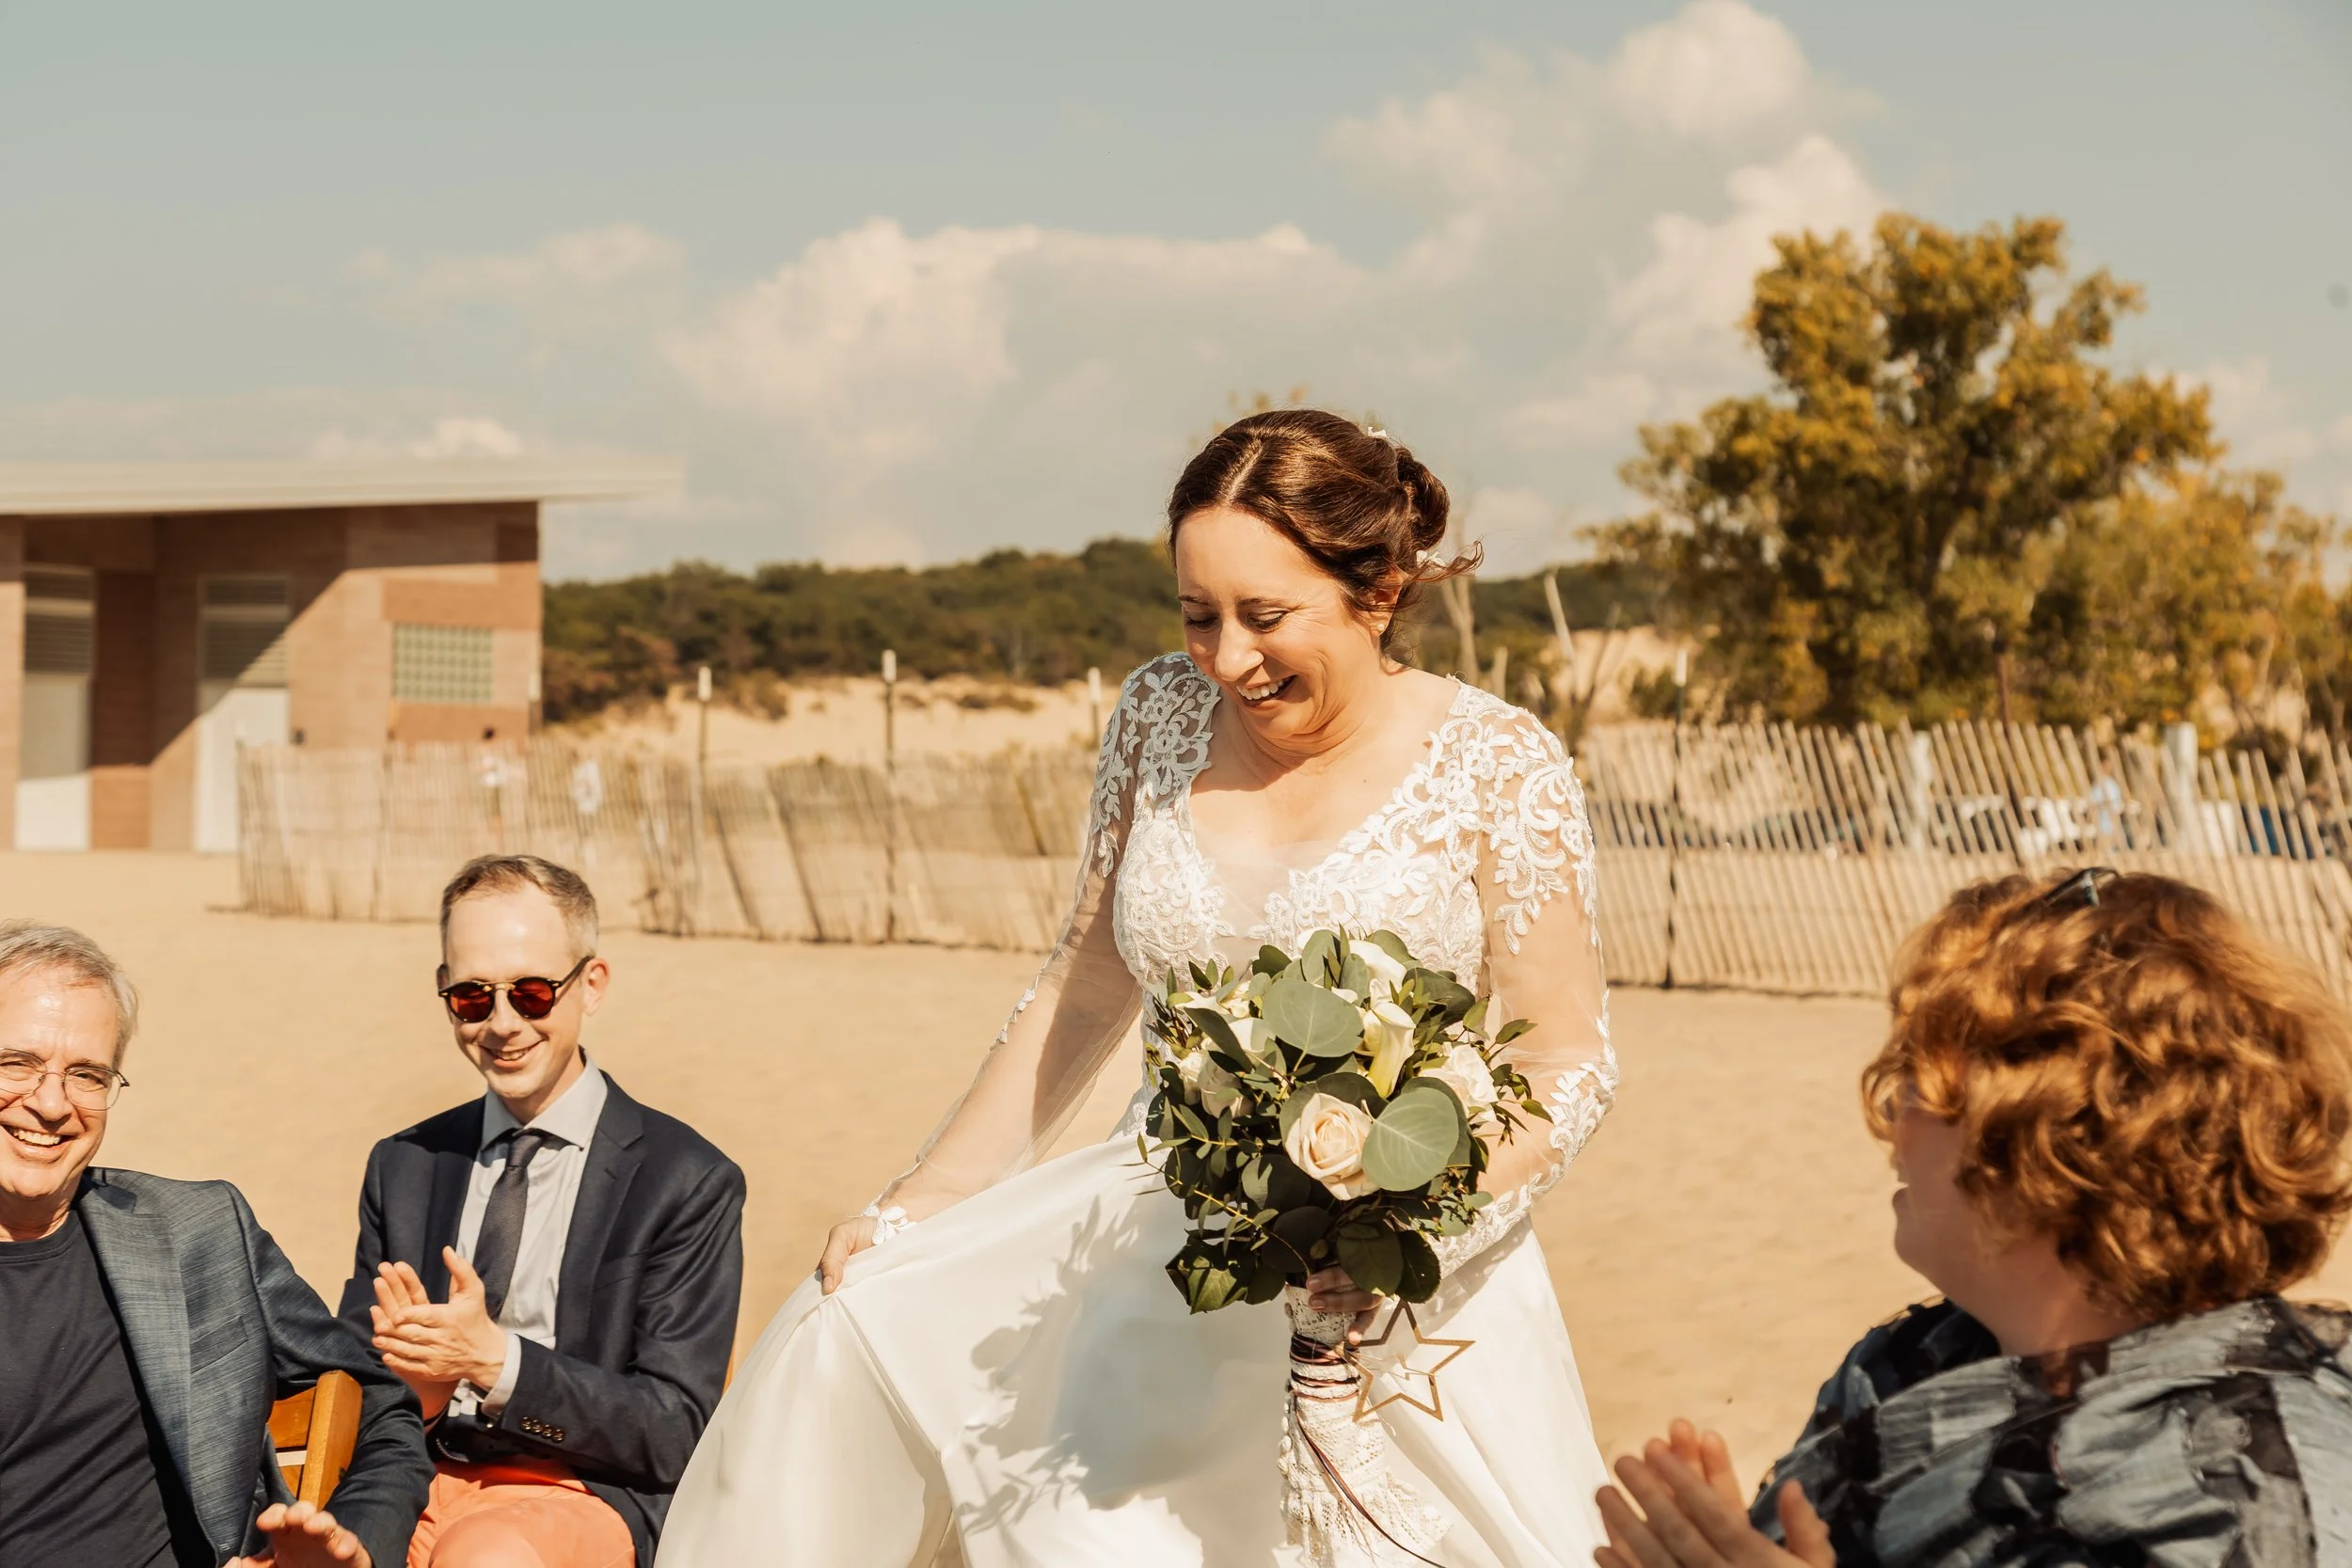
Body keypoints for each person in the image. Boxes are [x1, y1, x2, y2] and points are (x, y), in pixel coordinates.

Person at [660, 409, 1619, 1566]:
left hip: (1402, 1294)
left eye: (1265, 616)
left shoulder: (1497, 764)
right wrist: (919, 1200)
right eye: (1196, 613)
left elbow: (1560, 1060)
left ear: (1380, 587)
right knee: (892, 1367)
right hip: (1157, 1254)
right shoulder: (1159, 716)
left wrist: (1406, 1222)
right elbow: (1086, 978)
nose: (1225, 657)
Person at [1596, 867, 2352, 1568]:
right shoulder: (1910, 1364)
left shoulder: (2248, 1487)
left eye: (1917, 1089)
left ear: (2051, 1146)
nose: (1891, 1125)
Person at [341, 856, 745, 1568]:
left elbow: (675, 1428)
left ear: (591, 986)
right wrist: (422, 1393)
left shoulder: (685, 1179)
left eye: (530, 992)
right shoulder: (403, 1164)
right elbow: (352, 1371)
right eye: (471, 996)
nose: (501, 1024)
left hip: (580, 1487)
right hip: (409, 1476)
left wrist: (495, 1362)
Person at [0, 920, 431, 1567]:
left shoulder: (198, 1232)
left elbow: (382, 1406)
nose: (53, 1103)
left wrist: (355, 1549)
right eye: (18, 1064)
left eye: (87, 1074)